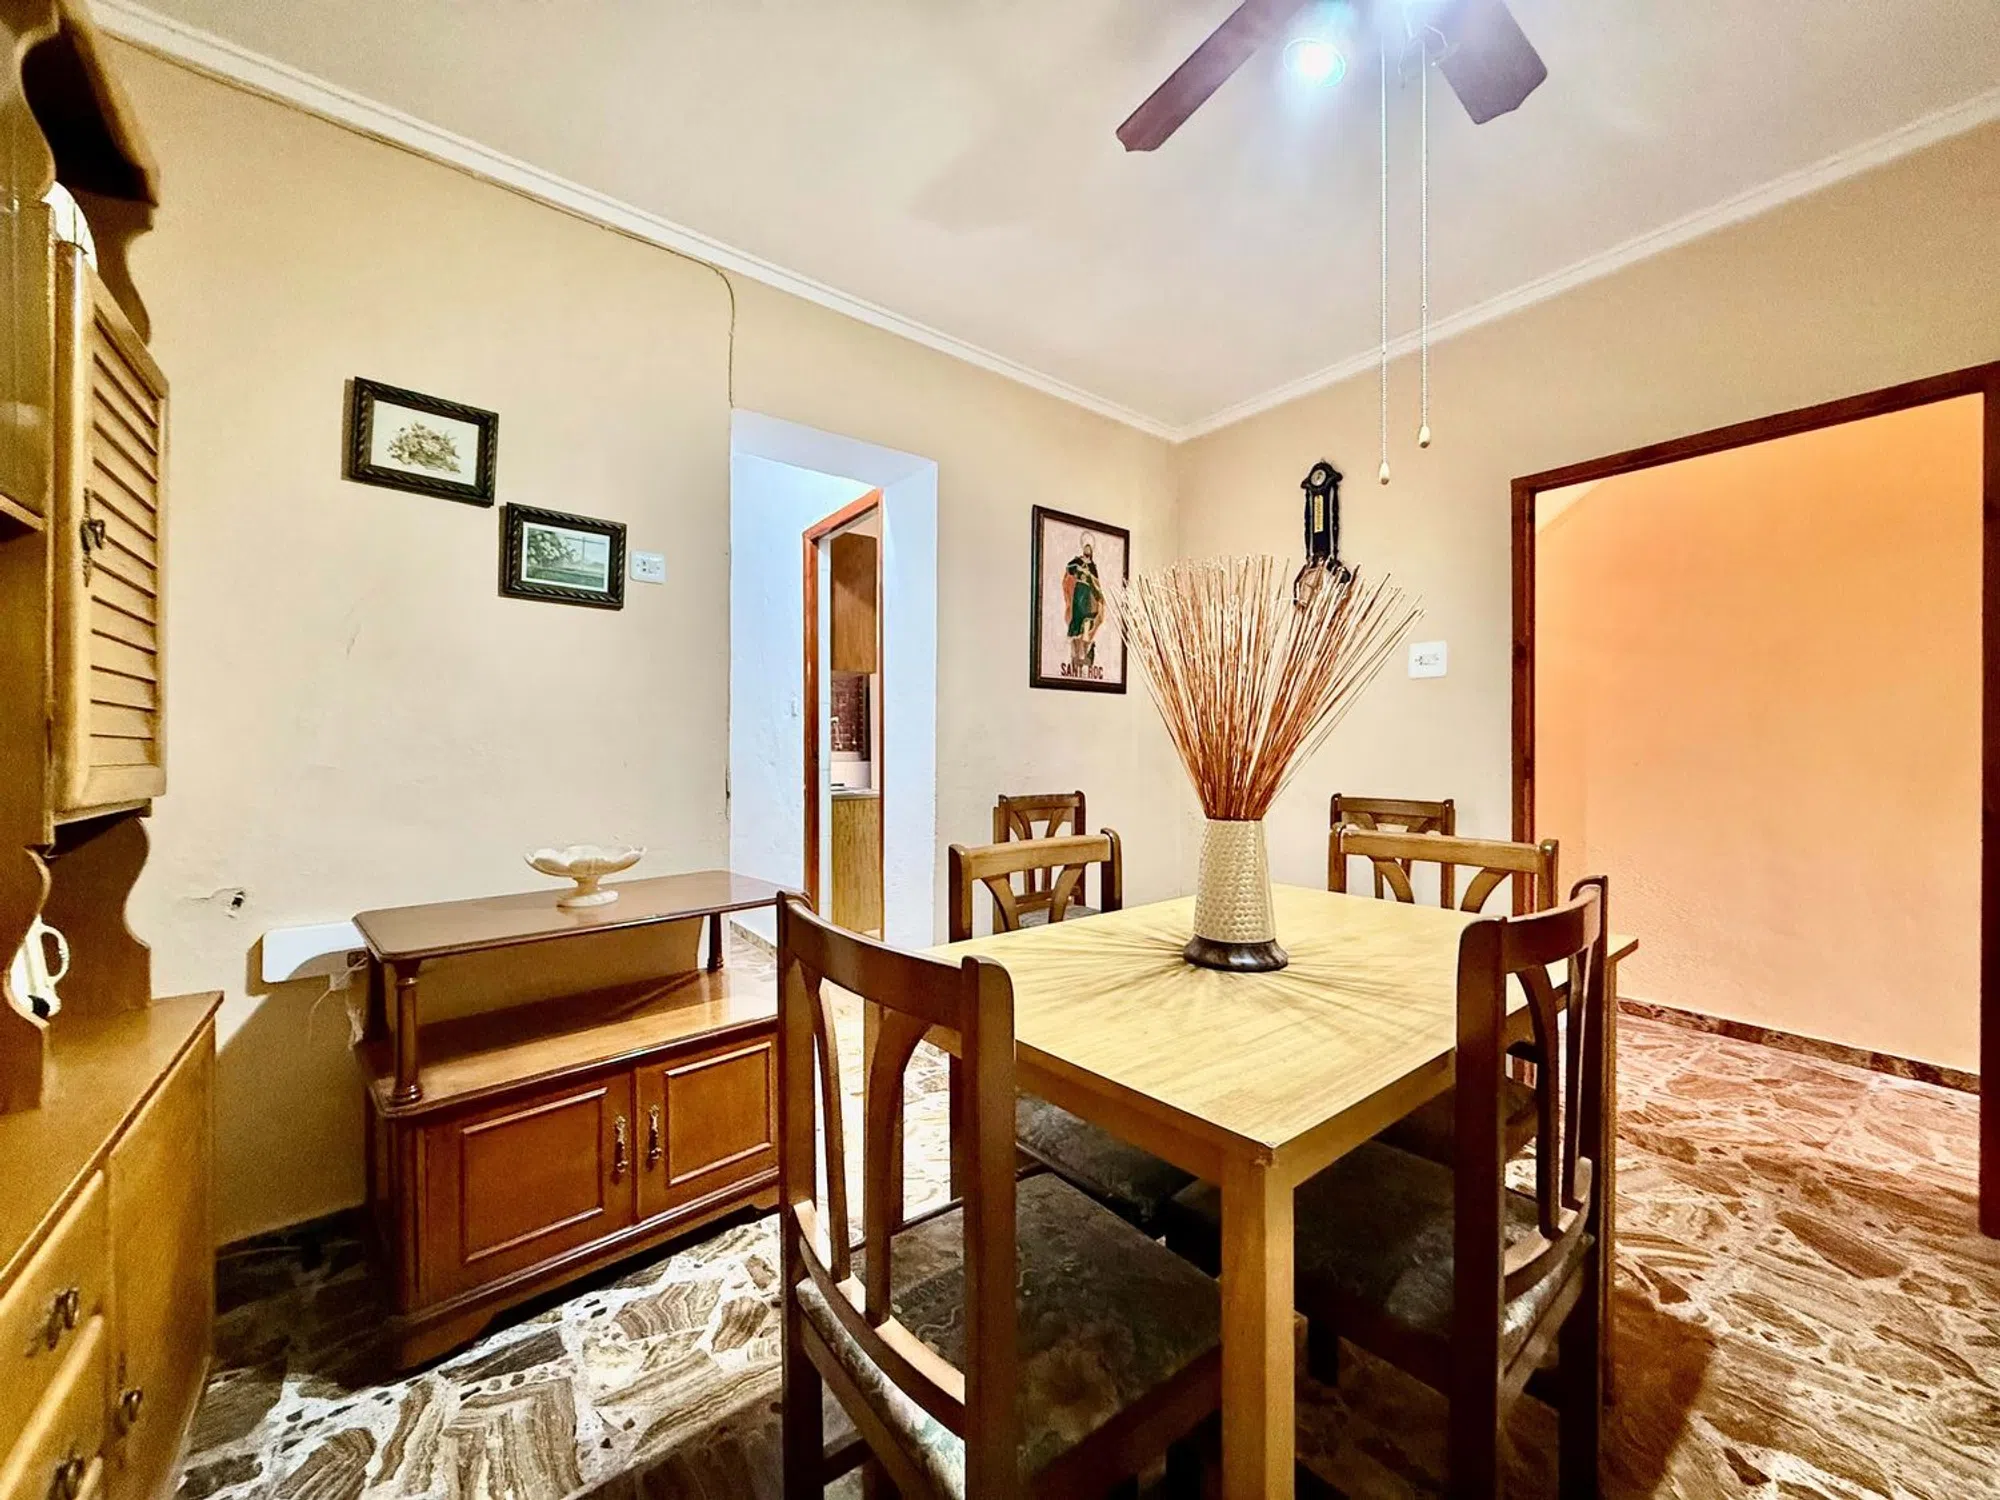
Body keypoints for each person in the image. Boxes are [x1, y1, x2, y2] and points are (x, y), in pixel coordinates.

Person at [1062, 533, 1104, 675]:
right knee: (1078, 619)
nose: (1087, 550)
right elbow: (1069, 568)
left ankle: (1083, 651)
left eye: (1089, 548)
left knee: (1089, 618)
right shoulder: (1077, 561)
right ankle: (1076, 652)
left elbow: (1096, 584)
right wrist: (1078, 570)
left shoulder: (1093, 567)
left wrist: (1099, 597)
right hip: (1079, 592)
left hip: (1088, 594)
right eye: (1086, 548)